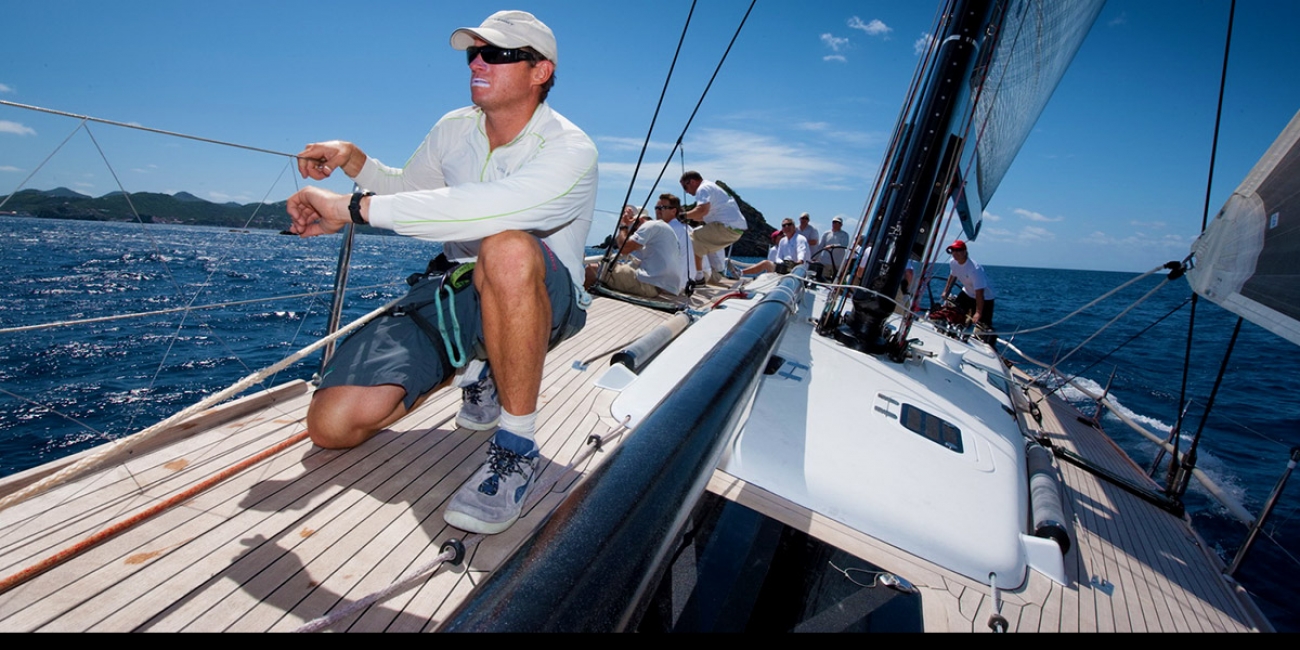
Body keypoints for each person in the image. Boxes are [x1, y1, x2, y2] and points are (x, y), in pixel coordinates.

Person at [285, 11, 597, 535]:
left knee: (507, 248)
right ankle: (483, 366)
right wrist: (356, 161)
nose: (477, 62)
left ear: (540, 71)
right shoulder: (453, 130)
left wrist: (349, 209)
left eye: (496, 54)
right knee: (332, 426)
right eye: (474, 53)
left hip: (546, 293)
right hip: (454, 285)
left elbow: (495, 209)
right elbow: (407, 191)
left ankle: (517, 445)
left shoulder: (569, 149)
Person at [590, 194, 687, 297]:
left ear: (639, 220)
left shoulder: (649, 226)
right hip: (659, 286)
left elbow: (624, 248)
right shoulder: (662, 229)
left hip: (648, 285)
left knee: (591, 269)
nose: (633, 231)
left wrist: (623, 226)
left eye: (633, 226)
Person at [680, 171, 746, 285]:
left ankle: (699, 277)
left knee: (690, 239)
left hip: (726, 227)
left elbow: (701, 210)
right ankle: (709, 275)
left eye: (685, 187)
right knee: (699, 243)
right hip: (735, 229)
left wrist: (682, 216)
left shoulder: (702, 188)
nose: (686, 192)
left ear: (692, 182)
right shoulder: (711, 187)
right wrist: (692, 217)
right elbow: (703, 215)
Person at [941, 239, 997, 343]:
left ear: (964, 252)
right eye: (952, 250)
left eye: (958, 250)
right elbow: (952, 276)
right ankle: (956, 333)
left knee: (983, 326)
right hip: (967, 293)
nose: (955, 253)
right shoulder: (953, 262)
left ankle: (984, 343)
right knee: (955, 314)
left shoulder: (974, 269)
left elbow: (980, 293)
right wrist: (946, 291)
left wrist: (978, 312)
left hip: (985, 298)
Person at [738, 218, 808, 275]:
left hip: (798, 270)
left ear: (794, 227)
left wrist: (798, 262)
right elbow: (778, 257)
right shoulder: (783, 241)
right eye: (784, 225)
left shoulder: (800, 239)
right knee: (766, 263)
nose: (786, 226)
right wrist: (783, 263)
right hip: (785, 268)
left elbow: (801, 252)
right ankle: (740, 273)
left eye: (789, 224)